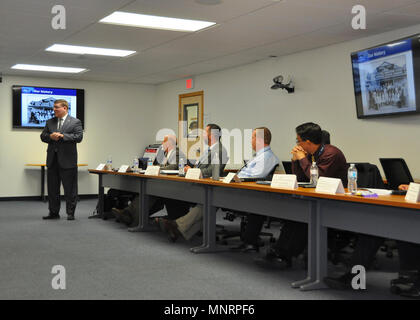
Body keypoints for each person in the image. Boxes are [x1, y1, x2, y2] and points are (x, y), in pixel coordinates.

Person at [253, 122, 348, 268]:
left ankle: (284, 254)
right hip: (319, 200)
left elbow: (317, 180)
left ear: (308, 142)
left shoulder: (331, 153)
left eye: (298, 141)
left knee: (302, 217)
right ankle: (281, 253)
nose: (297, 144)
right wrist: (295, 161)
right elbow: (301, 179)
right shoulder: (311, 155)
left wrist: (302, 159)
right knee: (295, 214)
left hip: (338, 203)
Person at [159, 123, 230, 242]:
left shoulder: (221, 150)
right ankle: (178, 230)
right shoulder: (209, 150)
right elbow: (200, 166)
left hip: (208, 186)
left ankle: (176, 225)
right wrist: (190, 168)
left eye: (204, 133)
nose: (203, 136)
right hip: (199, 182)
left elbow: (212, 171)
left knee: (203, 205)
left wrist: (193, 170)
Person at [111, 134, 187, 227]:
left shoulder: (177, 153)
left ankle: (130, 216)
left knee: (149, 192)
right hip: (163, 183)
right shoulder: (166, 154)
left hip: (173, 186)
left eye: (164, 141)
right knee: (146, 192)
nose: (162, 144)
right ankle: (129, 215)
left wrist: (157, 168)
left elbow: (173, 167)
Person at [40, 99, 83, 221]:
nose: (54, 109)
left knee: (70, 189)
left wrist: (63, 136)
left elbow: (79, 137)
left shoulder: (75, 122)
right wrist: (50, 136)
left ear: (65, 108)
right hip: (52, 160)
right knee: (53, 190)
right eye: (53, 107)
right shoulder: (50, 122)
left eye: (56, 107)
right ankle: (53, 213)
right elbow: (43, 136)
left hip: (68, 161)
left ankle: (70, 213)